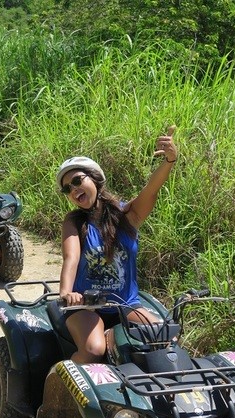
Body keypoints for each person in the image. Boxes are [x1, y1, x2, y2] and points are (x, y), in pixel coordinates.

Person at [57, 125, 177, 364]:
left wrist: (169, 161)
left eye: (78, 180)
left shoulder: (127, 216)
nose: (73, 189)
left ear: (95, 179)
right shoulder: (74, 221)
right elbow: (70, 258)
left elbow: (151, 190)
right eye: (67, 188)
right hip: (86, 305)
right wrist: (67, 293)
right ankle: (61, 388)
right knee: (93, 350)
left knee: (167, 338)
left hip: (126, 304)